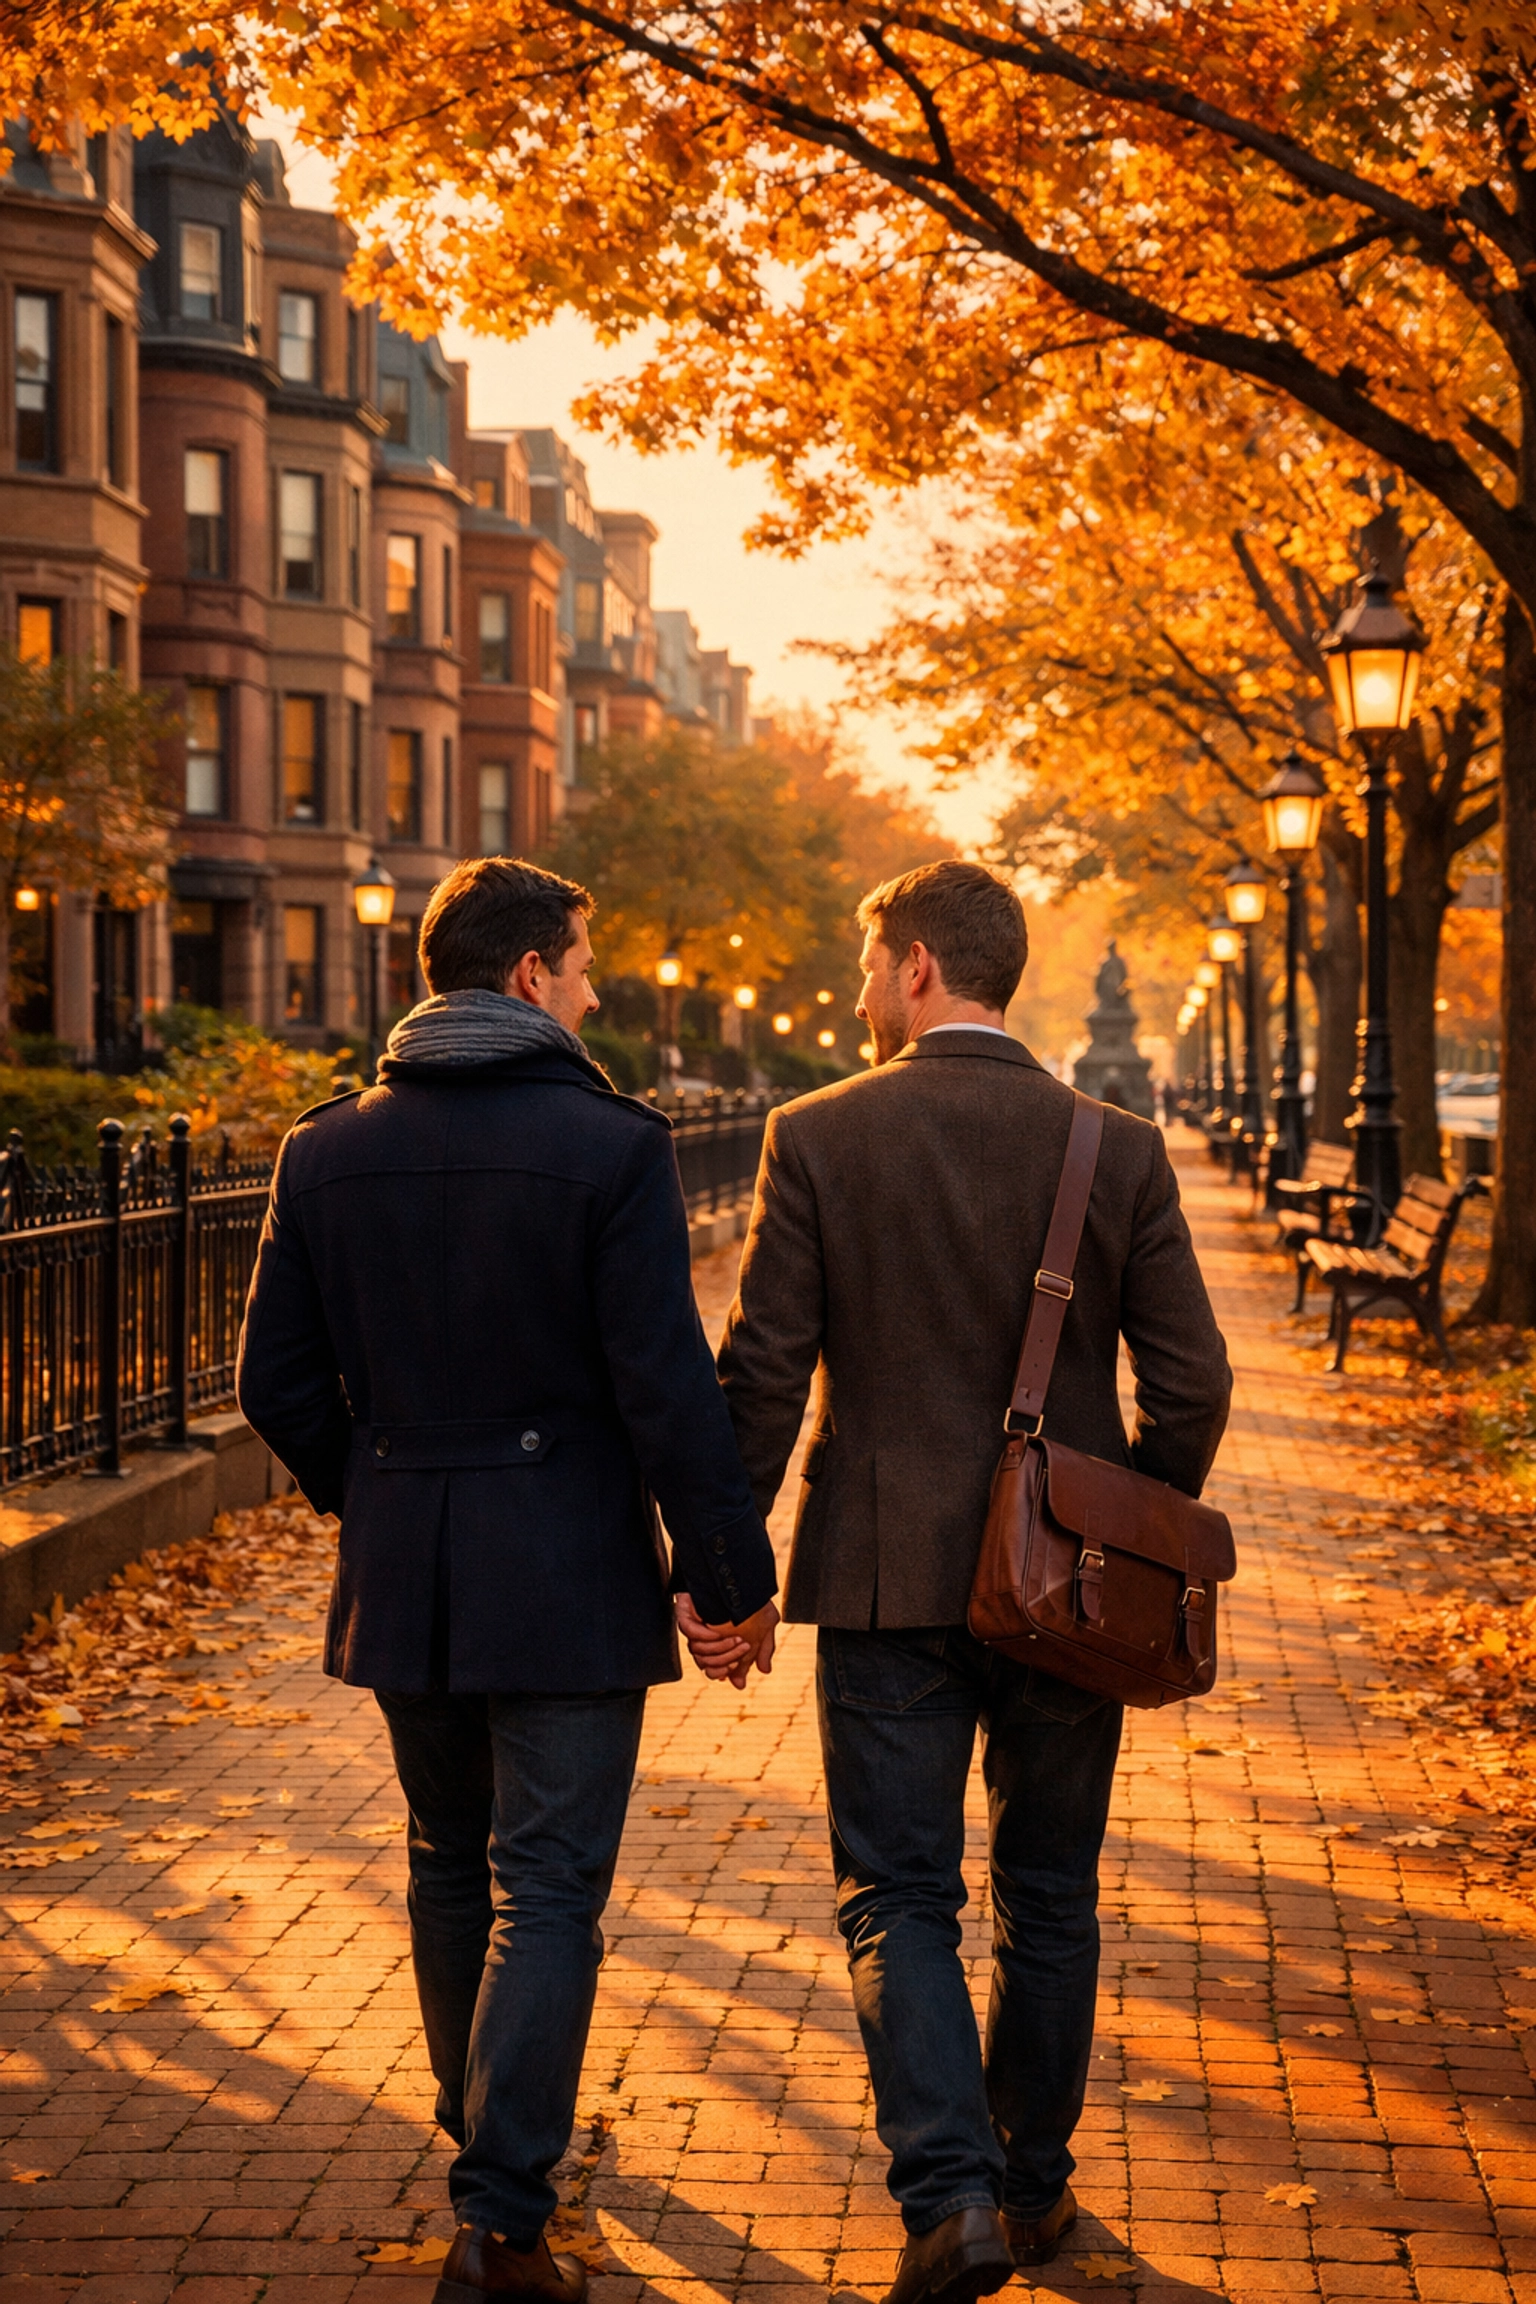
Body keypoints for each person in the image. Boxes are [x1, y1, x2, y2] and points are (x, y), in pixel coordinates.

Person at [237, 857, 779, 2304]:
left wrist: (380, 1488)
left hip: (410, 1566)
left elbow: (271, 1380)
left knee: (443, 1857)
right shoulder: (608, 1147)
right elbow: (667, 1388)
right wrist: (727, 1576)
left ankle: (483, 2134)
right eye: (585, 963)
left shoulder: (323, 1151)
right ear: (532, 975)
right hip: (567, 1571)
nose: (596, 990)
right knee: (545, 1888)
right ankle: (500, 2213)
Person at [691, 860, 1230, 2304]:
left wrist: (724, 1575)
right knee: (1050, 1893)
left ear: (920, 965)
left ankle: (948, 2201)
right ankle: (1033, 2188)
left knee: (899, 1897)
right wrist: (1129, 1523)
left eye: (873, 965)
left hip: (882, 1585)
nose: (865, 993)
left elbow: (765, 1376)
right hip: (1069, 1589)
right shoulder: (1112, 1148)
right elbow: (1194, 1384)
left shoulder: (815, 1134)